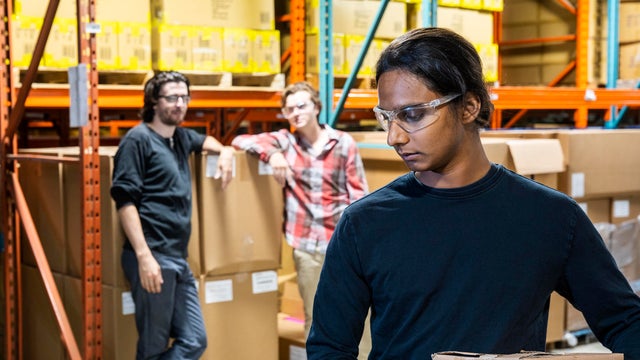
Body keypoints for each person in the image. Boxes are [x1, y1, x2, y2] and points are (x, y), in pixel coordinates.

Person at [306, 27, 640, 359]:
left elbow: (626, 322)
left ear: (468, 106)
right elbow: (329, 348)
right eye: (386, 118)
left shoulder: (551, 217)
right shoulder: (364, 224)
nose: (394, 136)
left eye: (412, 115)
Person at [110, 71, 235, 359]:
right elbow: (125, 201)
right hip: (152, 255)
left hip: (177, 256)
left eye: (184, 97)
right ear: (154, 101)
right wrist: (144, 257)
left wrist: (225, 151)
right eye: (172, 97)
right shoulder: (137, 140)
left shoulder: (180, 138)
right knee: (153, 346)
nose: (180, 104)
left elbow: (206, 142)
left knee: (194, 339)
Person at [231, 81, 369, 338]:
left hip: (340, 246)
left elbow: (359, 197)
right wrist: (272, 155)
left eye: (302, 105)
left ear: (316, 107)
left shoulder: (342, 143)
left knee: (353, 316)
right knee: (315, 320)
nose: (296, 112)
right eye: (290, 109)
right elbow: (241, 140)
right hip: (306, 248)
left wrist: (361, 244)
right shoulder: (286, 142)